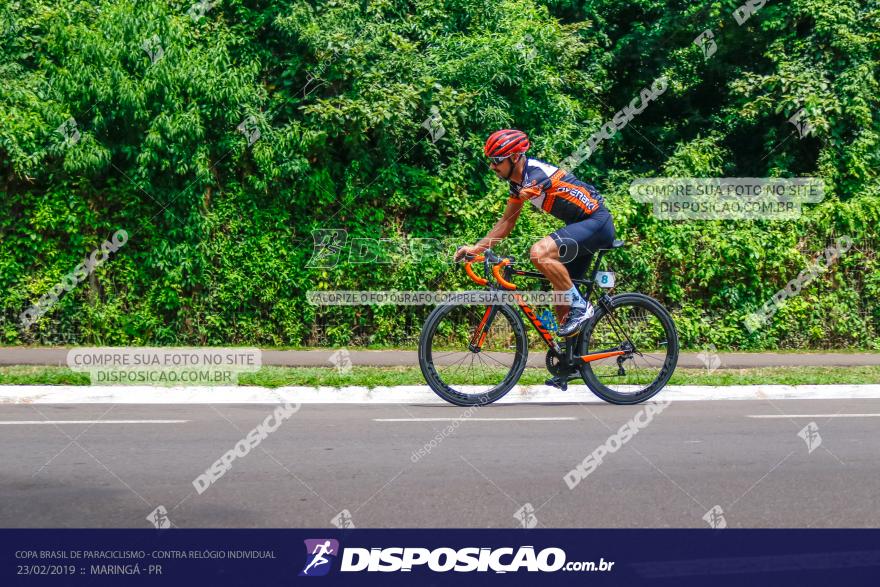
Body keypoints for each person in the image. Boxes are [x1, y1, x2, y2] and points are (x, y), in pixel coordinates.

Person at [454, 129, 616, 337]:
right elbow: (506, 223)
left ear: (514, 157)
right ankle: (572, 363)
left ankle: (582, 308)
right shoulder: (517, 183)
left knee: (539, 252)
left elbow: (535, 187)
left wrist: (525, 192)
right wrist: (476, 249)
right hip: (580, 227)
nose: (492, 166)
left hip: (597, 223)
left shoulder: (536, 173)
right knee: (561, 298)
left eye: (496, 160)